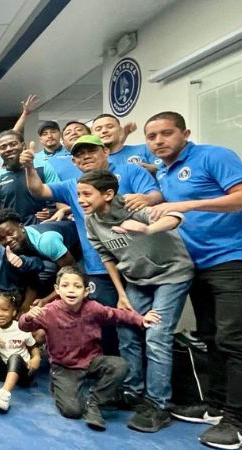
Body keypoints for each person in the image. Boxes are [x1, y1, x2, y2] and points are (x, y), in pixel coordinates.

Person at [142, 111, 242, 448]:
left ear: (185, 133)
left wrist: (188, 205)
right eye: (152, 136)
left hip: (234, 258)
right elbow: (166, 192)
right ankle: (217, 406)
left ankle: (241, 421)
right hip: (197, 264)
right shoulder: (164, 169)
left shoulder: (214, 156)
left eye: (166, 133)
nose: (159, 141)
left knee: (237, 340)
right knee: (212, 337)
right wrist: (153, 197)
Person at [20, 134, 163, 354]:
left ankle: (139, 382)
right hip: (99, 266)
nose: (85, 157)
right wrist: (30, 168)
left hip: (138, 265)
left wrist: (145, 200)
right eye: (79, 155)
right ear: (74, 162)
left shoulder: (130, 171)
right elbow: (39, 191)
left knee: (141, 325)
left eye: (91, 151)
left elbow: (155, 196)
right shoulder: (72, 185)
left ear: (105, 152)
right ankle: (115, 376)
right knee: (105, 326)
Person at [80, 169, 194, 432]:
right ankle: (133, 391)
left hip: (171, 274)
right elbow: (107, 256)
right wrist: (120, 293)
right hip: (136, 280)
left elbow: (176, 217)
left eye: (87, 194)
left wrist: (148, 228)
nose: (82, 200)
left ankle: (158, 404)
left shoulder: (131, 204)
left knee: (156, 335)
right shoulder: (91, 219)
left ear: (108, 194)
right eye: (79, 195)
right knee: (126, 329)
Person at [19, 267, 160, 431]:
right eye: (65, 286)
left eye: (77, 286)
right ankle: (58, 386)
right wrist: (28, 317)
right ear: (57, 289)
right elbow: (24, 327)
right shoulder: (49, 311)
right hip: (65, 367)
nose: (71, 290)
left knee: (120, 365)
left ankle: (95, 402)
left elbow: (115, 314)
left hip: (92, 361)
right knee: (72, 411)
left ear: (86, 291)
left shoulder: (93, 308)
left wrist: (140, 319)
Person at [0, 130, 61, 224]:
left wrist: (51, 212)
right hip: (12, 234)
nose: (8, 149)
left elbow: (59, 198)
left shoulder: (43, 166)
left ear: (23, 145)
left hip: (42, 228)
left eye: (13, 144)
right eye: (3, 147)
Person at [92, 114, 157, 172]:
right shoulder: (90, 162)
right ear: (92, 134)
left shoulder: (145, 148)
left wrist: (153, 169)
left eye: (110, 127)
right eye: (98, 129)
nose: (104, 131)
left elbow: (165, 169)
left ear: (120, 130)